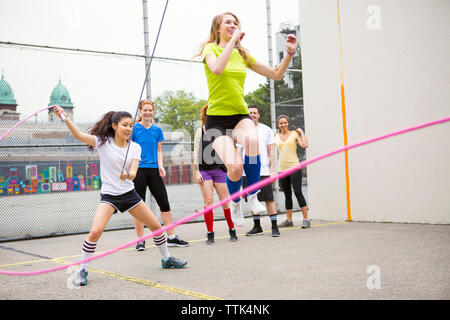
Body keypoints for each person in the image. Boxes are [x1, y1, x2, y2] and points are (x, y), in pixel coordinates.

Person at [52, 106, 187, 287]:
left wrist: (128, 175)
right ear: (114, 126)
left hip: (129, 194)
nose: (129, 129)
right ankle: (82, 269)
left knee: (156, 226)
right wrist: (64, 117)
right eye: (125, 125)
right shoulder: (102, 142)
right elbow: (78, 135)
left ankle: (166, 259)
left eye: (131, 125)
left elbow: (133, 172)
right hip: (109, 196)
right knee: (95, 231)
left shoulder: (135, 147)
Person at [197, 12, 298, 227]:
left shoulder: (242, 54)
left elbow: (275, 74)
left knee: (252, 141)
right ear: (218, 28)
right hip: (217, 119)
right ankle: (235, 203)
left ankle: (252, 197)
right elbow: (217, 68)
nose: (233, 25)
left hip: (239, 115)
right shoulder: (211, 49)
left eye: (235, 23)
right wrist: (233, 41)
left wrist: (290, 53)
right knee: (234, 168)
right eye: (228, 23)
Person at [131, 100, 189, 251]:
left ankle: (171, 237)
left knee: (164, 203)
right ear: (140, 111)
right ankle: (141, 240)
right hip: (139, 171)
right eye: (145, 110)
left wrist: (161, 165)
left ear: (153, 112)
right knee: (138, 206)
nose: (148, 113)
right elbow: (129, 150)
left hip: (154, 170)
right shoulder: (134, 129)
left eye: (150, 110)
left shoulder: (157, 130)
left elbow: (158, 150)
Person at [193, 104, 238, 244]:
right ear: (205, 115)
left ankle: (232, 230)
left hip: (219, 170)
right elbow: (195, 151)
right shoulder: (200, 131)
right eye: (207, 113)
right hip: (205, 170)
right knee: (208, 202)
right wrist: (196, 171)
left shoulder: (223, 131)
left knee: (225, 202)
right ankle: (210, 233)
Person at [242, 106, 280, 237]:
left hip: (263, 171)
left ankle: (274, 227)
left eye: (254, 113)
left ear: (258, 115)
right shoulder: (241, 130)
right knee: (253, 199)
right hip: (247, 172)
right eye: (250, 113)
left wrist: (273, 170)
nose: (252, 115)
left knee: (269, 199)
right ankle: (257, 227)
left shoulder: (266, 130)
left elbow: (272, 151)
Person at [275, 115, 310, 228]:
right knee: (287, 195)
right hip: (282, 169)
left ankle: (306, 219)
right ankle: (289, 220)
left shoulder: (294, 134)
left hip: (294, 167)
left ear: (288, 123)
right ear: (278, 125)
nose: (283, 125)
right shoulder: (275, 136)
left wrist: (302, 133)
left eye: (285, 122)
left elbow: (305, 145)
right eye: (281, 123)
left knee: (298, 192)